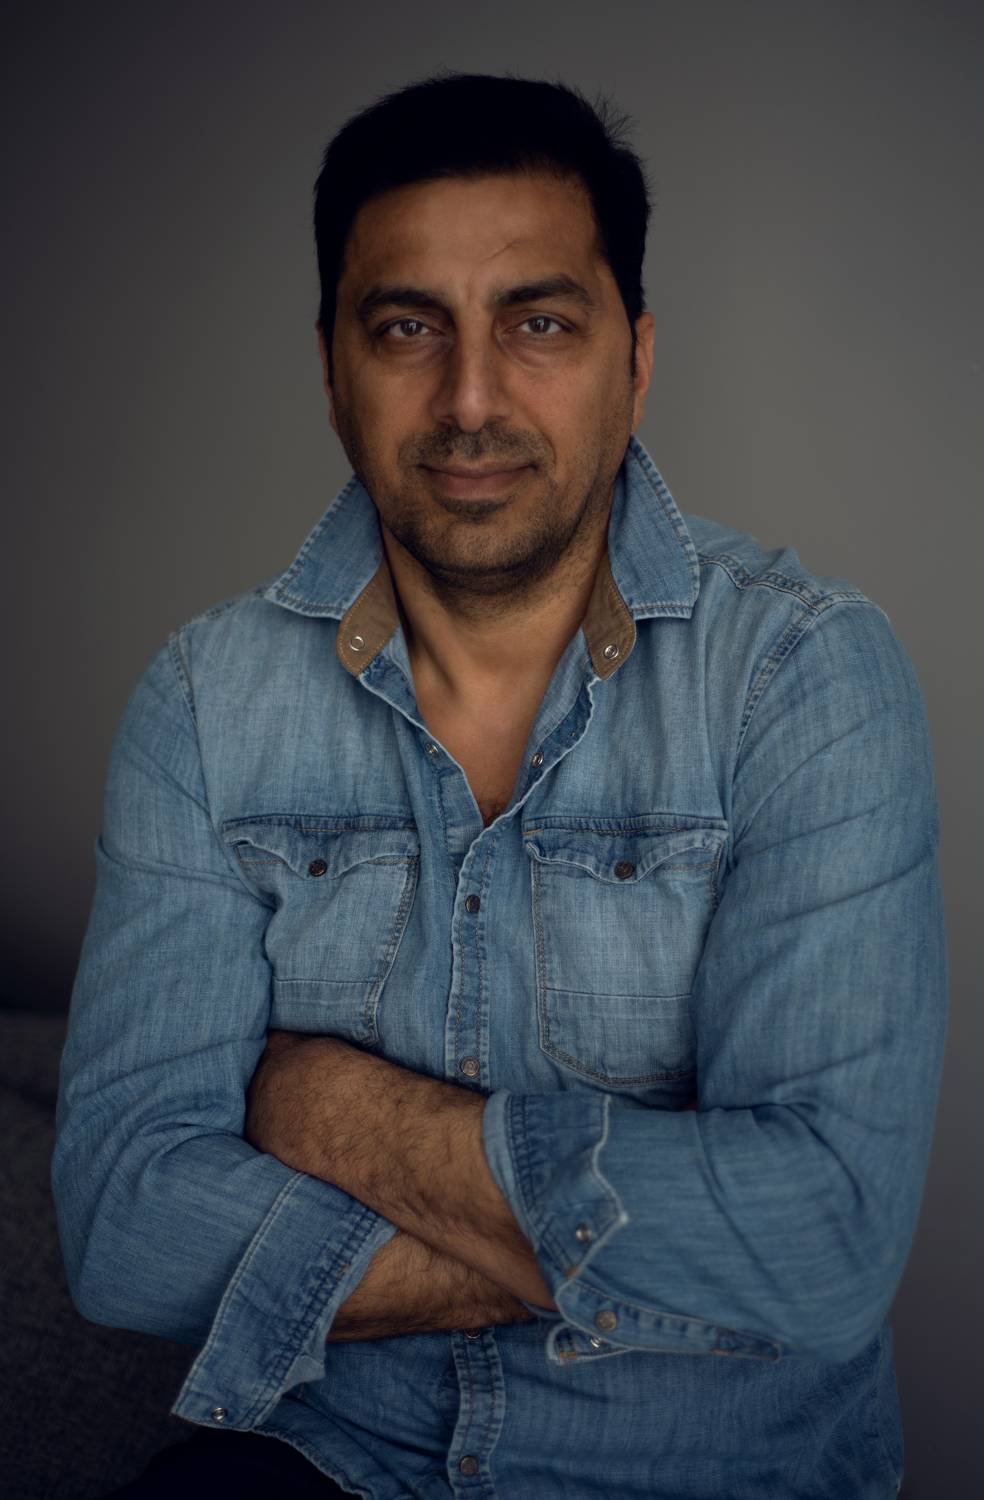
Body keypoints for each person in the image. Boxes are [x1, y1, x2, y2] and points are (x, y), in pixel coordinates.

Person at [52, 73, 947, 1500]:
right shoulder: (206, 703)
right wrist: (638, 1248)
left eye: (538, 323)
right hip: (335, 1459)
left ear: (634, 361)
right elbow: (124, 1228)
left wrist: (334, 1115)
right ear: (332, 372)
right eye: (408, 328)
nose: (471, 400)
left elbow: (821, 1243)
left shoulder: (803, 677)